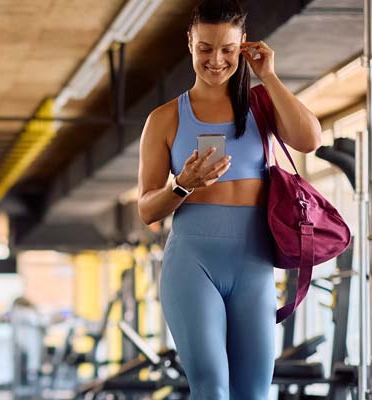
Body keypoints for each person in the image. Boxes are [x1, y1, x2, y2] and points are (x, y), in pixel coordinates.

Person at [136, 0, 323, 398]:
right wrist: (182, 185)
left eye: (227, 49)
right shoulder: (165, 119)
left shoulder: (260, 106)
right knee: (212, 388)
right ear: (190, 42)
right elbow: (147, 209)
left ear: (242, 47)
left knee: (254, 391)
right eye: (205, 48)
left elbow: (310, 139)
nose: (216, 60)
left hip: (252, 264)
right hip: (192, 264)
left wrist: (268, 77)